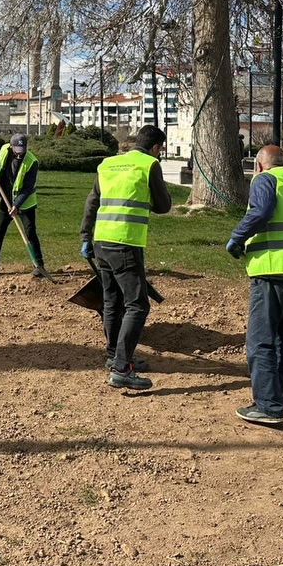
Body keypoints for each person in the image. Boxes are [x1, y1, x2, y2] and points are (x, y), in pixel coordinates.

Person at [225, 144, 283, 425]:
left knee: (260, 340)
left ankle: (267, 406)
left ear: (258, 165)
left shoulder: (265, 179)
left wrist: (237, 237)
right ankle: (282, 398)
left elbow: (262, 211)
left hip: (272, 270)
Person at [79, 124, 171, 391]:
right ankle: (121, 368)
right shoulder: (149, 165)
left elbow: (92, 201)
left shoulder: (108, 164)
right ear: (154, 148)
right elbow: (164, 205)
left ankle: (114, 356)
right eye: (160, 150)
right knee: (137, 305)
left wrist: (86, 237)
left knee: (112, 301)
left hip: (102, 242)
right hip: (126, 242)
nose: (159, 155)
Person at [0, 133, 49, 279]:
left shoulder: (32, 162)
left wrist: (17, 205)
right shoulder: (4, 150)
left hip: (25, 204)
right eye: (17, 150)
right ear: (11, 146)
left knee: (30, 233)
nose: (19, 154)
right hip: (6, 200)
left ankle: (39, 265)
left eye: (22, 150)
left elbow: (28, 188)